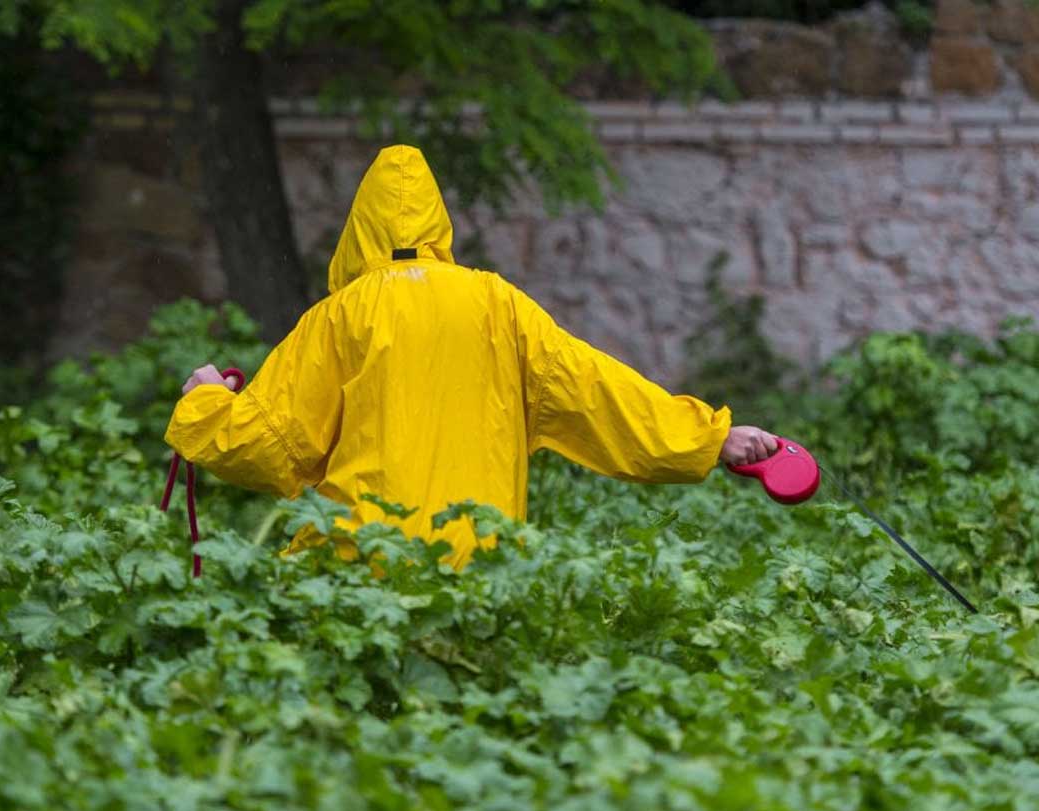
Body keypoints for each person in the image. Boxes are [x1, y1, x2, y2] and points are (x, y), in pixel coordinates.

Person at [166, 144, 778, 568]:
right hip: (483, 570)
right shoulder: (497, 305)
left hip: (361, 568)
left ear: (359, 229)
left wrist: (208, 402)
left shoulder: (340, 316)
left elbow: (270, 446)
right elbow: (597, 392)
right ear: (439, 225)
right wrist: (711, 438)